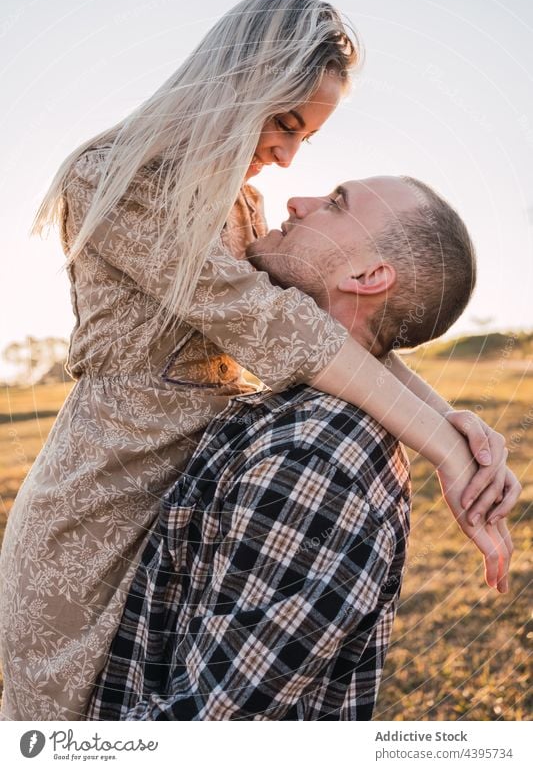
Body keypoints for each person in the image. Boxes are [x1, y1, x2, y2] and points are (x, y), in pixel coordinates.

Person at [0, 0, 516, 721]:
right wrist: (443, 450)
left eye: (305, 136)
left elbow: (327, 332)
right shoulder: (115, 179)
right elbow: (275, 327)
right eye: (285, 123)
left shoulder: (241, 207)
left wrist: (451, 419)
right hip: (95, 521)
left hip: (187, 515)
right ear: (235, 85)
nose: (286, 156)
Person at [87, 176, 514, 721]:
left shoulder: (313, 455)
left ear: (366, 276)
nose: (297, 200)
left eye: (336, 203)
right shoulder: (302, 417)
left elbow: (211, 723)